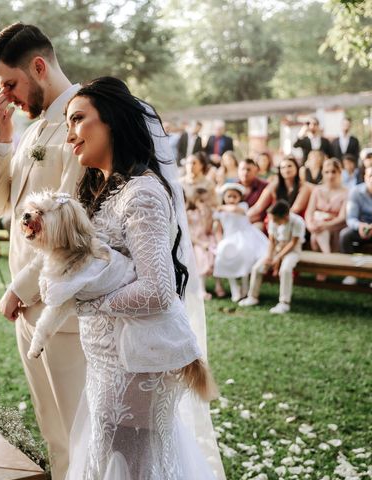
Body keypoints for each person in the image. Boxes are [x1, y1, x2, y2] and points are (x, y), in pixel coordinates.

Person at [64, 77, 224, 479]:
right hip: (109, 357)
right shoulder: (105, 189)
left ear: (112, 122)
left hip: (136, 361)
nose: (70, 136)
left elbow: (158, 289)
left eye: (78, 120)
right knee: (110, 457)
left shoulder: (142, 194)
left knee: (133, 465)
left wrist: (90, 304)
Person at [0, 23, 86, 478]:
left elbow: (76, 219)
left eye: (10, 84)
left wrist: (19, 289)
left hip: (61, 305)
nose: (8, 97)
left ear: (38, 67)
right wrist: (2, 138)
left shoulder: (84, 121)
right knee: (52, 431)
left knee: (78, 430)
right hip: (25, 304)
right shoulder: (32, 128)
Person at [239, 199, 305, 314]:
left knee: (285, 270)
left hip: (292, 251)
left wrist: (278, 258)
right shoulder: (272, 220)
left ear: (285, 216)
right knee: (257, 268)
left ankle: (284, 302)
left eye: (275, 219)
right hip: (276, 249)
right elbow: (272, 241)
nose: (273, 221)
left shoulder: (297, 222)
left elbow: (293, 243)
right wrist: (269, 256)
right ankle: (252, 297)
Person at [213, 183, 269, 302]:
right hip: (228, 238)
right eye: (229, 196)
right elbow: (217, 229)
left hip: (244, 236)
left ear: (240, 198)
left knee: (244, 254)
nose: (232, 199)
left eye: (235, 197)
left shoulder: (243, 206)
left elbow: (234, 209)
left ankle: (245, 286)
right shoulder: (220, 212)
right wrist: (220, 243)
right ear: (224, 197)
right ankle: (234, 287)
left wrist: (221, 207)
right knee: (223, 255)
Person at [247, 156, 313, 228]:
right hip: (274, 221)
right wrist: (244, 216)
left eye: (289, 166)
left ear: (296, 168)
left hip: (294, 223)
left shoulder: (304, 187)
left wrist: (277, 219)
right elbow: (258, 207)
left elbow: (295, 209)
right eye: (283, 167)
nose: (286, 169)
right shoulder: (274, 185)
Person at [305, 158, 348, 259]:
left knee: (319, 233)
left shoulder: (347, 192)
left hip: (336, 226)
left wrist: (324, 224)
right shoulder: (317, 190)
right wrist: (310, 225)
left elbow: (342, 217)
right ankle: (327, 258)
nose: (330, 175)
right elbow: (309, 212)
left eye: (333, 172)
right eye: (327, 172)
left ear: (339, 172)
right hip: (317, 226)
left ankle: (325, 261)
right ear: (323, 173)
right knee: (318, 232)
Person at [340, 165, 372, 285]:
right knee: (344, 235)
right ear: (365, 177)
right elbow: (351, 218)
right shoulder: (356, 191)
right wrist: (360, 226)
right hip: (360, 227)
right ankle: (350, 273)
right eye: (370, 175)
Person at [186, 188, 219, 300]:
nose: (204, 204)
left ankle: (218, 285)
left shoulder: (209, 213)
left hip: (208, 238)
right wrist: (200, 243)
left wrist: (206, 215)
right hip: (196, 241)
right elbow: (189, 234)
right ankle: (202, 288)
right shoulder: (190, 213)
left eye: (206, 201)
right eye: (201, 201)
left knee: (215, 253)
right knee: (201, 255)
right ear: (194, 201)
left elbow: (207, 229)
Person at [238, 159, 269, 225]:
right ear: (238, 171)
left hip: (257, 222)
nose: (245, 172)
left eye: (248, 170)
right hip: (237, 221)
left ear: (256, 171)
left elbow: (260, 210)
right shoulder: (233, 186)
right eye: (242, 169)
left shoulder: (265, 186)